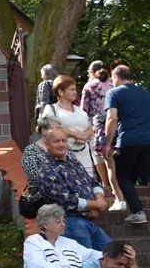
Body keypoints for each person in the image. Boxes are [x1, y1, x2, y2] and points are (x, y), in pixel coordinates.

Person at [38, 126, 110, 250]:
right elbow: (66, 200)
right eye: (56, 141)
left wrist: (99, 201)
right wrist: (96, 204)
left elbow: (93, 183)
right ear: (46, 144)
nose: (61, 144)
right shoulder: (47, 169)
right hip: (69, 222)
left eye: (64, 141)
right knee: (82, 263)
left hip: (88, 220)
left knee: (111, 254)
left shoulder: (73, 162)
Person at [104, 65, 150, 225]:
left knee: (123, 177)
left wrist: (107, 144)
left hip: (128, 141)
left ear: (116, 77)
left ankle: (137, 212)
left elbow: (112, 119)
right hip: (148, 141)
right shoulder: (146, 94)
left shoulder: (113, 93)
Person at [81, 61, 125, 210]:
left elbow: (84, 109)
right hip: (116, 122)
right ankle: (118, 185)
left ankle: (105, 184)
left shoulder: (89, 86)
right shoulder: (114, 85)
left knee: (98, 155)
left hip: (97, 124)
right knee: (114, 155)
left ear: (92, 72)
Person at [44, 75, 95, 178]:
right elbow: (53, 129)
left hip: (84, 156)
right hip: (63, 156)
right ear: (61, 92)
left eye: (75, 89)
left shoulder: (80, 110)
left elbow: (90, 129)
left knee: (87, 187)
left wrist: (84, 136)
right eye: (71, 89)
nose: (75, 92)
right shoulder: (51, 109)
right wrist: (76, 135)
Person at [22, 116, 68, 206]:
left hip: (67, 189)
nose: (60, 131)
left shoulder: (64, 147)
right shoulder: (31, 151)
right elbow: (35, 178)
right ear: (44, 130)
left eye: (60, 128)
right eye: (57, 128)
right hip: (43, 194)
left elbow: (76, 168)